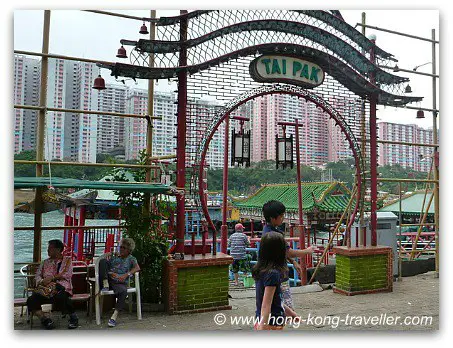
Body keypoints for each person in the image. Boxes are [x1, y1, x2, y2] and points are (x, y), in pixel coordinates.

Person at [262, 200, 315, 316]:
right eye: (281, 215)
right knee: (281, 307)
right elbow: (288, 252)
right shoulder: (273, 235)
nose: (283, 218)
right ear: (273, 217)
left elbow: (282, 252)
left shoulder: (268, 231)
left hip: (272, 273)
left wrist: (293, 263)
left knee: (275, 304)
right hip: (277, 275)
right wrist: (307, 251)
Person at [26, 239, 79, 330]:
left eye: (50, 248)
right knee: (31, 300)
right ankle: (45, 319)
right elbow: (37, 276)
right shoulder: (45, 262)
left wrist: (52, 278)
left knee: (61, 295)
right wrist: (42, 281)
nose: (47, 250)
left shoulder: (67, 260)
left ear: (58, 250)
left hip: (62, 287)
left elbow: (68, 274)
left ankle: (73, 317)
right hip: (46, 289)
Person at [98, 238, 140, 327]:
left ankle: (114, 316)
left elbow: (137, 268)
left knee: (123, 291)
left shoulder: (131, 259)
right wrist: (110, 272)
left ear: (129, 250)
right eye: (120, 247)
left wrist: (125, 275)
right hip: (109, 280)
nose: (121, 249)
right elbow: (105, 267)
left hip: (119, 282)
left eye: (123, 248)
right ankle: (105, 283)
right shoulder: (115, 257)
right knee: (102, 261)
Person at [253, 232, 288, 330]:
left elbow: (274, 299)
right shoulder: (273, 274)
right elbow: (266, 304)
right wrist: (263, 327)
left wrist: (290, 313)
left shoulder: (260, 270)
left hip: (260, 318)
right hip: (272, 322)